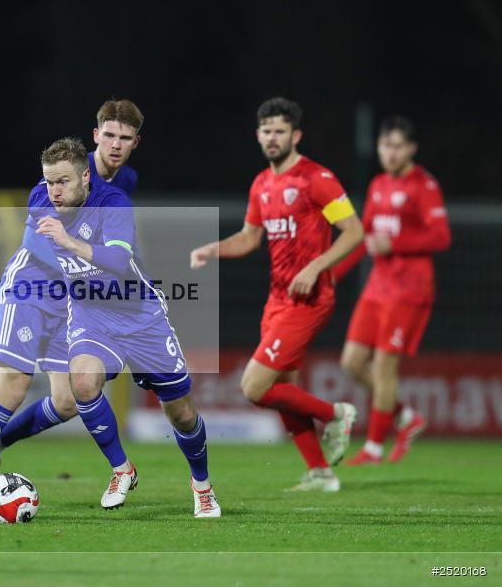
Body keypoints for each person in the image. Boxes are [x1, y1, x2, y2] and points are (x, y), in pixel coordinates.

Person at [0, 100, 143, 513]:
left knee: (69, 400)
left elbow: (114, 243)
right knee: (14, 386)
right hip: (31, 289)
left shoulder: (124, 183)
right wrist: (90, 272)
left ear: (135, 143)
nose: (115, 144)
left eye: (124, 138)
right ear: (96, 136)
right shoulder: (60, 176)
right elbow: (37, 243)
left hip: (71, 300)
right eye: (109, 135)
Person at [36, 137, 220, 518]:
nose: (53, 191)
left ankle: (202, 485)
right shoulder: (41, 201)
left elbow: (118, 262)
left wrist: (67, 241)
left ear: (86, 177)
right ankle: (122, 469)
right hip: (91, 315)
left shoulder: (114, 204)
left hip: (140, 317)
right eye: (49, 182)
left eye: (63, 182)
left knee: (181, 413)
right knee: (83, 382)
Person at [190, 97, 363, 492]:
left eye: (280, 131)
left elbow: (354, 231)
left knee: (254, 387)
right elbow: (250, 238)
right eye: (266, 131)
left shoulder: (316, 178)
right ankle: (320, 473)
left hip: (310, 299)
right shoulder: (262, 184)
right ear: (258, 135)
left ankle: (336, 413)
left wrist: (316, 266)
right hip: (277, 299)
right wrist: (211, 249)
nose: (272, 137)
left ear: (295, 135)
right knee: (283, 389)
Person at [334, 116, 451, 465]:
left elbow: (441, 236)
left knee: (384, 366)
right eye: (386, 146)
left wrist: (396, 242)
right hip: (378, 288)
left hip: (409, 290)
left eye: (398, 146)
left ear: (411, 148)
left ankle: (372, 447)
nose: (391, 153)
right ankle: (405, 417)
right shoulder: (378, 185)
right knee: (352, 363)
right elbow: (363, 236)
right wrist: (331, 273)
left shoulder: (424, 186)